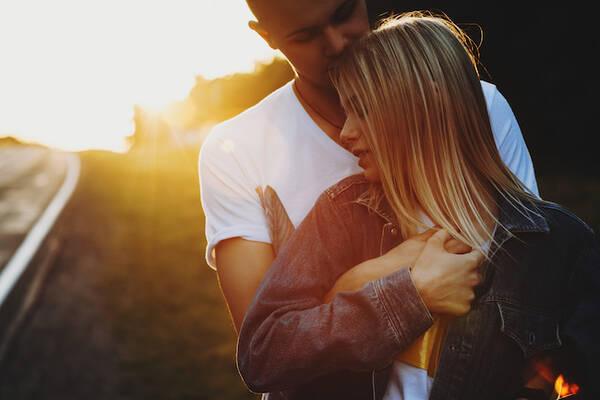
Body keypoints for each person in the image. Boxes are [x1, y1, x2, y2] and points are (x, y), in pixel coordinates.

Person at [236, 13, 600, 400]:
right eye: (346, 112)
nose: (345, 132)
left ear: (428, 102)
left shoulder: (558, 243)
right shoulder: (343, 213)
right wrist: (410, 297)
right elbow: (261, 355)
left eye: (362, 109)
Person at [199, 0, 538, 335]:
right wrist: (401, 291)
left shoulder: (476, 104)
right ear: (266, 36)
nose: (337, 44)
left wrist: (346, 292)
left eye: (343, 13)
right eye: (305, 35)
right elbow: (266, 343)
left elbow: (528, 278)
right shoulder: (236, 150)